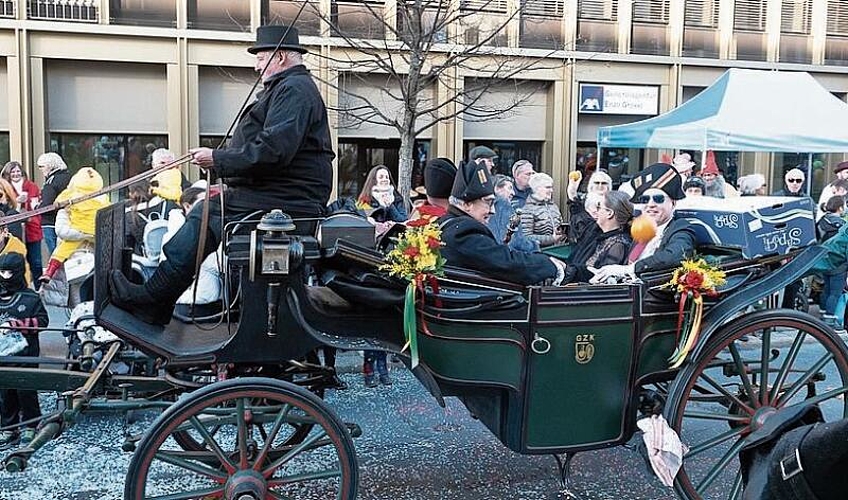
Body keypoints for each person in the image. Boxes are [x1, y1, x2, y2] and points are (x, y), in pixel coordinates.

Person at [110, 25, 335, 325]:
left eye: (260, 57)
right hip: (281, 194)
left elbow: (272, 151)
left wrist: (218, 158)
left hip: (289, 200)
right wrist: (220, 160)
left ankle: (155, 299)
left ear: (280, 57)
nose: (256, 65)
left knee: (208, 211)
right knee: (210, 208)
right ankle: (159, 298)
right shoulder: (289, 89)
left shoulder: (294, 90)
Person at [439, 158, 565, 286]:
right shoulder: (463, 232)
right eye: (488, 202)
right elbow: (506, 263)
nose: (493, 211)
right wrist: (550, 265)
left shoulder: (447, 224)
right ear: (467, 204)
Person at [590, 163, 696, 283]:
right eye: (645, 199)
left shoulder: (680, 227)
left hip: (654, 298)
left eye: (658, 199)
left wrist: (629, 270)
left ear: (673, 203)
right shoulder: (642, 229)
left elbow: (676, 256)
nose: (650, 204)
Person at [356, 165, 407, 388]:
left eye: (387, 176)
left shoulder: (396, 199)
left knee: (385, 319)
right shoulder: (365, 199)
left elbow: (403, 220)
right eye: (380, 177)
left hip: (392, 258)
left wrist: (389, 206)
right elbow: (361, 222)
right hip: (371, 259)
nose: (385, 179)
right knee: (371, 318)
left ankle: (383, 368)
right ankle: (369, 368)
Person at [0, 252, 49, 449]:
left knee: (26, 390)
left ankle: (31, 423)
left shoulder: (31, 299)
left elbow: (44, 321)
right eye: (1, 272)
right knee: (4, 392)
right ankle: (9, 426)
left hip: (26, 355)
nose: (4, 277)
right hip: (3, 356)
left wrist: (20, 324)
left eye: (8, 273)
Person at [40, 167, 109, 284]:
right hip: (95, 230)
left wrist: (58, 205)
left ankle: (49, 272)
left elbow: (59, 201)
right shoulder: (103, 197)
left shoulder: (72, 194)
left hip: (78, 228)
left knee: (61, 251)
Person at [564, 191, 633, 284]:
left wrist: (569, 271)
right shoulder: (595, 231)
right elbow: (581, 219)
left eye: (599, 207)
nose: (596, 211)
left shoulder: (619, 245)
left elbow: (602, 281)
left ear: (609, 213)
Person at [1, 162, 42, 285]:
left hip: (31, 228)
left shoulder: (31, 186)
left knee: (35, 260)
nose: (16, 174)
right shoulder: (5, 185)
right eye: (12, 171)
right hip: (15, 226)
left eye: (18, 171)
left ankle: (38, 286)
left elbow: (35, 206)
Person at [487, 174, 538, 253]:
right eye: (510, 188)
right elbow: (515, 241)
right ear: (496, 189)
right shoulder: (503, 205)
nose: (513, 193)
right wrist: (534, 245)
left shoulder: (483, 208)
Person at [817, 195, 846, 330]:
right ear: (840, 207)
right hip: (838, 262)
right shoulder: (841, 225)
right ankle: (830, 319)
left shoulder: (821, 221)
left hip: (823, 259)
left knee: (826, 290)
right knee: (835, 292)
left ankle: (823, 314)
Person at [36, 152, 72, 255]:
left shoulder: (51, 182)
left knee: (55, 255)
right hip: (68, 221)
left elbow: (47, 204)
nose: (40, 169)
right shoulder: (70, 177)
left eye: (42, 166)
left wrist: (36, 206)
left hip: (50, 223)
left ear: (50, 165)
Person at [519, 172, 565, 248]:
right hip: (539, 253)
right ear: (537, 188)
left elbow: (561, 226)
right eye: (548, 187)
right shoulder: (528, 210)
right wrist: (551, 239)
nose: (551, 190)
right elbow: (526, 237)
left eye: (551, 187)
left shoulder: (554, 206)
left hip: (557, 250)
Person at [567, 170, 612, 243]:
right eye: (597, 183)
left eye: (604, 183)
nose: (600, 186)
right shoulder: (583, 200)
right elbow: (575, 211)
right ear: (591, 185)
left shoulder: (613, 204)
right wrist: (572, 190)